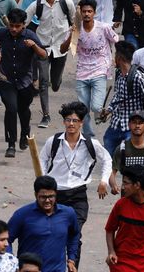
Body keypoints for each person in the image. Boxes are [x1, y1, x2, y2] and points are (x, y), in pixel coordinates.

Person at [40, 102, 112, 264]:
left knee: (74, 233)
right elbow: (42, 158)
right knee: (53, 233)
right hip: (55, 195)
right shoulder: (54, 141)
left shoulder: (90, 143)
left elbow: (107, 159)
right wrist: (44, 180)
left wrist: (103, 181)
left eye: (75, 120)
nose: (71, 124)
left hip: (78, 196)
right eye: (68, 120)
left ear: (81, 123)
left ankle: (73, 265)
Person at [0, 8, 46, 157]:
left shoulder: (30, 36)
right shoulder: (2, 33)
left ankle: (25, 134)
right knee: (11, 109)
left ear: (23, 25)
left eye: (17, 26)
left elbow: (44, 55)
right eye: (11, 25)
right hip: (5, 79)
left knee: (23, 111)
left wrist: (33, 46)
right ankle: (11, 144)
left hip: (25, 82)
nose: (13, 29)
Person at [24, 0, 75, 128]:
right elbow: (24, 22)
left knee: (56, 83)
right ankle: (46, 115)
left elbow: (74, 21)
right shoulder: (36, 5)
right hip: (43, 48)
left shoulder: (67, 2)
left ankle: (56, 81)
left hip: (61, 48)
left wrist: (72, 39)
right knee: (44, 82)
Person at [100, 41, 144, 156]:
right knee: (108, 160)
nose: (114, 59)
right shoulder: (119, 73)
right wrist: (108, 110)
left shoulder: (138, 76)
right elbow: (118, 96)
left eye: (115, 56)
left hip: (132, 127)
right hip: (115, 125)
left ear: (119, 58)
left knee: (130, 162)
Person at [8, 176, 80, 272]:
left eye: (51, 196)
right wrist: (12, 263)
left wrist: (71, 259)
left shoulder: (68, 213)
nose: (47, 200)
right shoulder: (22, 214)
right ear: (35, 195)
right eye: (43, 197)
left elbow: (74, 235)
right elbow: (6, 239)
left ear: (56, 195)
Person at [75, 0, 119, 139]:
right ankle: (88, 135)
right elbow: (65, 48)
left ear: (94, 12)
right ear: (80, 13)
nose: (87, 14)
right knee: (83, 109)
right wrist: (71, 34)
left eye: (90, 11)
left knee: (96, 107)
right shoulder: (76, 29)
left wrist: (116, 59)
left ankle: (101, 114)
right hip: (82, 72)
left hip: (100, 70)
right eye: (84, 11)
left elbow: (116, 40)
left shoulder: (104, 27)